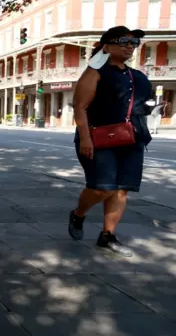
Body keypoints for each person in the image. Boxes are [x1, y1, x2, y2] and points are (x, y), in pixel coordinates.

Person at [68, 26, 153, 257]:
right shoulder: (95, 73)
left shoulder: (139, 76)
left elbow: (146, 104)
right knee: (101, 188)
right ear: (107, 46)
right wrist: (85, 137)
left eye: (133, 43)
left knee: (121, 190)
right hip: (98, 139)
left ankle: (108, 236)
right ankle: (79, 214)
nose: (129, 46)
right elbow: (80, 106)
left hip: (131, 139)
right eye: (123, 41)